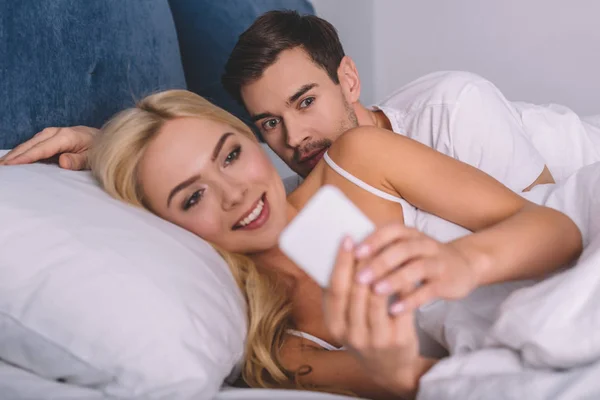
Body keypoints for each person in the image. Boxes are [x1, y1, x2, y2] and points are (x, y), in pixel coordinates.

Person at [80, 89, 580, 399]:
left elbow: (561, 231)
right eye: (192, 198)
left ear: (250, 140)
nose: (236, 194)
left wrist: (462, 262)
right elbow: (445, 384)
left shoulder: (357, 160)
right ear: (166, 230)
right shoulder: (279, 347)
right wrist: (394, 370)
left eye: (230, 155)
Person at [3, 11, 599, 192]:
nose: (294, 140)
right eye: (269, 122)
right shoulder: (300, 182)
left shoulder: (454, 110)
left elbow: (554, 227)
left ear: (349, 79)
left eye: (306, 100)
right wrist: (108, 141)